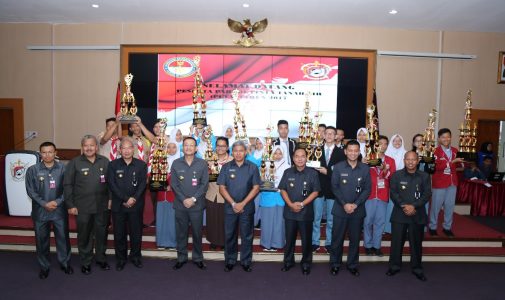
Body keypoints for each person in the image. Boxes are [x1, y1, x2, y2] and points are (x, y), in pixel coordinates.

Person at [64, 135, 111, 274]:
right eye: (86, 145)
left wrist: (111, 199)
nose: (89, 148)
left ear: (97, 147)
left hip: (102, 206)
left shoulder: (105, 161)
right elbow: (67, 185)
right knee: (84, 235)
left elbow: (111, 183)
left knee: (102, 233)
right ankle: (86, 262)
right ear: (82, 147)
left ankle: (101, 259)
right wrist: (70, 204)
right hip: (82, 207)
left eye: (92, 145)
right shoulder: (74, 163)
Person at [26, 141, 72, 279]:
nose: (47, 155)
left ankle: (65, 264)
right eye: (44, 152)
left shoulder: (63, 169)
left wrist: (57, 202)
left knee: (63, 239)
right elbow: (31, 191)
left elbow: (68, 189)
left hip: (59, 211)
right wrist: (44, 203)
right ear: (40, 154)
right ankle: (44, 267)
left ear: (55, 153)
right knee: (41, 241)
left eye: (50, 152)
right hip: (40, 212)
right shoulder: (32, 170)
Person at [387, 151, 431, 282]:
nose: (410, 162)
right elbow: (393, 193)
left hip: (417, 214)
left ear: (418, 161)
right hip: (400, 214)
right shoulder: (396, 175)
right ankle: (394, 267)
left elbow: (427, 194)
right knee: (396, 243)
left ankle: (417, 268)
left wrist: (414, 206)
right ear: (404, 160)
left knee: (416, 243)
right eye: (408, 159)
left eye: (413, 159)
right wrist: (404, 205)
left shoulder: (424, 176)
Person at [329, 140, 371, 277]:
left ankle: (352, 265)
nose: (353, 153)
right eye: (350, 150)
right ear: (345, 151)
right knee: (337, 239)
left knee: (354, 240)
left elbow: (367, 189)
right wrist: (344, 204)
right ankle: (335, 264)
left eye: (355, 151)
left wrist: (356, 204)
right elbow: (334, 187)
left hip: (357, 211)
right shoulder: (338, 167)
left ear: (359, 152)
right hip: (340, 210)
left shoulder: (365, 168)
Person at [218, 140, 261, 272]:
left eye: (241, 151)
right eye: (235, 151)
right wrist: (233, 203)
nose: (238, 153)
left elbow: (256, 188)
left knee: (247, 235)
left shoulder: (253, 167)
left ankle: (246, 261)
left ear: (245, 152)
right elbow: (222, 188)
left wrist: (242, 203)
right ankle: (230, 260)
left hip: (246, 208)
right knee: (230, 234)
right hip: (230, 207)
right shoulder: (226, 167)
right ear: (232, 152)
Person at [107, 136, 148, 271]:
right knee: (119, 234)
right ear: (119, 150)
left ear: (133, 149)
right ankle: (121, 259)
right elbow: (112, 185)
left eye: (129, 148)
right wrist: (125, 199)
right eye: (123, 148)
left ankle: (135, 257)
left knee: (136, 233)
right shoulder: (113, 165)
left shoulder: (141, 165)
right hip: (119, 206)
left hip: (136, 205)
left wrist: (133, 198)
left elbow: (143, 184)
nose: (126, 151)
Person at [279, 148, 320, 275]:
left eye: (303, 156)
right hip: (290, 212)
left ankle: (306, 263)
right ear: (293, 158)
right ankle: (288, 262)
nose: (300, 158)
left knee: (306, 240)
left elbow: (316, 192)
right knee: (289, 239)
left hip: (305, 212)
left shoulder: (312, 173)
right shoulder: (287, 172)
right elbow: (283, 189)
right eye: (297, 156)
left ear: (306, 158)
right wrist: (291, 204)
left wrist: (302, 204)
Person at [170, 137, 209, 270]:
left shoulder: (202, 163)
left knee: (197, 232)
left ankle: (198, 258)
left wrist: (192, 199)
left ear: (196, 148)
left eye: (191, 145)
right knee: (181, 232)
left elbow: (204, 185)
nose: (188, 148)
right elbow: (174, 184)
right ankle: (181, 257)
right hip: (180, 205)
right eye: (186, 145)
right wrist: (183, 199)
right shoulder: (176, 163)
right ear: (183, 147)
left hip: (196, 205)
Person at [313, 126, 345, 253]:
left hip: (333, 191)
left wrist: (328, 172)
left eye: (332, 133)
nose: (330, 135)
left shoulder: (341, 153)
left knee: (331, 220)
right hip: (318, 189)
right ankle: (314, 242)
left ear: (336, 136)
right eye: (327, 133)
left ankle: (329, 242)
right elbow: (311, 168)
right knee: (316, 218)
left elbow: (342, 173)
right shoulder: (316, 150)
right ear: (324, 135)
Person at [363, 135, 396, 256]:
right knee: (367, 221)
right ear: (375, 145)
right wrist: (362, 163)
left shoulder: (390, 160)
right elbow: (362, 175)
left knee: (380, 222)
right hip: (369, 195)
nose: (382, 145)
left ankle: (377, 246)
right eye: (379, 143)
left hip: (383, 194)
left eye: (385, 143)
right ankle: (367, 245)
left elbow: (392, 178)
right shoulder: (368, 158)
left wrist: (384, 170)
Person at [429, 128, 463, 237]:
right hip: (439, 183)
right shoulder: (435, 151)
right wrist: (452, 162)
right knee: (436, 206)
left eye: (448, 136)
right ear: (439, 139)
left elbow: (460, 166)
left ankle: (447, 227)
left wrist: (463, 162)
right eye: (443, 137)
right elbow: (436, 167)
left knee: (449, 206)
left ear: (451, 138)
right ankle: (432, 227)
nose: (446, 139)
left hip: (452, 182)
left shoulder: (455, 150)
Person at [259, 145, 289, 251]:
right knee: (266, 222)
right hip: (267, 196)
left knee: (279, 222)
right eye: (275, 153)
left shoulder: (287, 166)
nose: (277, 155)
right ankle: (266, 243)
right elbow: (261, 179)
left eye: (280, 153)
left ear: (284, 154)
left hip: (281, 196)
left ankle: (277, 243)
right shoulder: (265, 165)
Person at [205, 136, 233, 250]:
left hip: (227, 195)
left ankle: (224, 241)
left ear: (227, 147)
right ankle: (213, 240)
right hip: (211, 194)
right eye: (218, 145)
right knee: (212, 219)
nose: (220, 148)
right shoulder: (209, 159)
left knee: (225, 220)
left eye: (223, 146)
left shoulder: (232, 161)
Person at [155, 138, 180, 249]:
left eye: (174, 147)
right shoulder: (160, 161)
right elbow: (153, 176)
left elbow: (184, 180)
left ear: (178, 148)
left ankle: (173, 243)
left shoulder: (181, 162)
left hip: (174, 197)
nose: (171, 149)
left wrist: (173, 186)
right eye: (168, 147)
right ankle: (161, 242)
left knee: (173, 221)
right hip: (161, 196)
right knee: (161, 220)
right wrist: (158, 184)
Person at [384, 134, 407, 234]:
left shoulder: (406, 153)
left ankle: (401, 228)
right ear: (391, 142)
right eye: (395, 141)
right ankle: (387, 228)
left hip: (403, 184)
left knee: (401, 205)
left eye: (399, 141)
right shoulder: (386, 153)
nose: (397, 143)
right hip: (389, 183)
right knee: (390, 206)